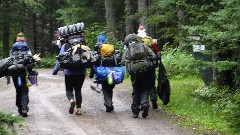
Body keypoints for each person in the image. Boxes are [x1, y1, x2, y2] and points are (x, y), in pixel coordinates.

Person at [121, 34, 156, 118]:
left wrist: (128, 62)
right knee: (144, 88)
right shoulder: (144, 46)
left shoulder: (129, 49)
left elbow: (122, 61)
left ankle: (135, 111)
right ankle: (145, 104)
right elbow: (153, 56)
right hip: (145, 70)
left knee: (136, 90)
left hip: (134, 72)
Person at [52, 34, 86, 115]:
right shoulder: (83, 45)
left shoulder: (65, 45)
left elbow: (60, 59)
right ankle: (78, 109)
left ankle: (71, 100)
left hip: (69, 72)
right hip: (81, 72)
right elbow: (89, 57)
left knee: (69, 89)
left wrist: (55, 71)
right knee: (78, 90)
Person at [11, 32, 39, 117]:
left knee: (18, 90)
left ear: (17, 40)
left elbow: (10, 61)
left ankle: (19, 108)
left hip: (15, 73)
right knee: (24, 90)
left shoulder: (13, 50)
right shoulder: (27, 50)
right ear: (24, 41)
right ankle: (24, 108)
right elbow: (31, 62)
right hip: (24, 73)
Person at [89, 35, 117, 113]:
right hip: (112, 72)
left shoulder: (98, 52)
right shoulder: (111, 51)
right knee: (110, 88)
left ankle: (108, 104)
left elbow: (94, 64)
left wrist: (92, 75)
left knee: (105, 89)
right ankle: (109, 103)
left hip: (104, 74)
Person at [137, 26, 158, 109]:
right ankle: (153, 98)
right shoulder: (149, 39)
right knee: (151, 83)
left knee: (139, 85)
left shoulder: (135, 40)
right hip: (150, 65)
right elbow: (156, 50)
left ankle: (141, 102)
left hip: (138, 66)